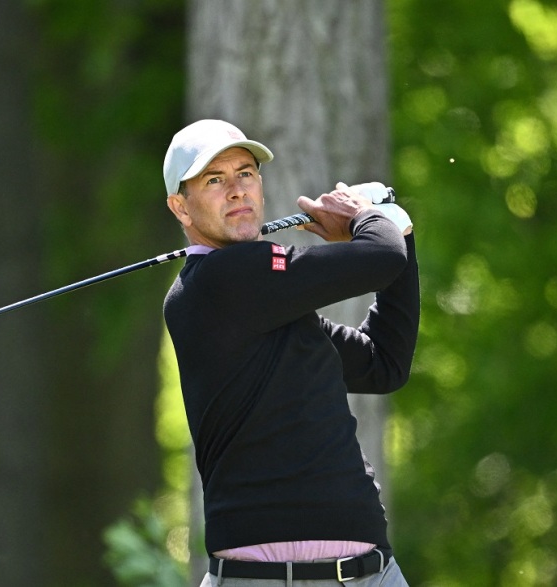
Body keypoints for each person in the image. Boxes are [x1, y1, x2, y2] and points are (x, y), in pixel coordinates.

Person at [162, 119, 419, 587]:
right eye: (214, 180)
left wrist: (399, 231)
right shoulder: (221, 281)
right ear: (181, 207)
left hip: (369, 573)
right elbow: (379, 258)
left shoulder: (268, 308)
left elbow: (384, 364)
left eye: (246, 173)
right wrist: (368, 215)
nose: (237, 190)